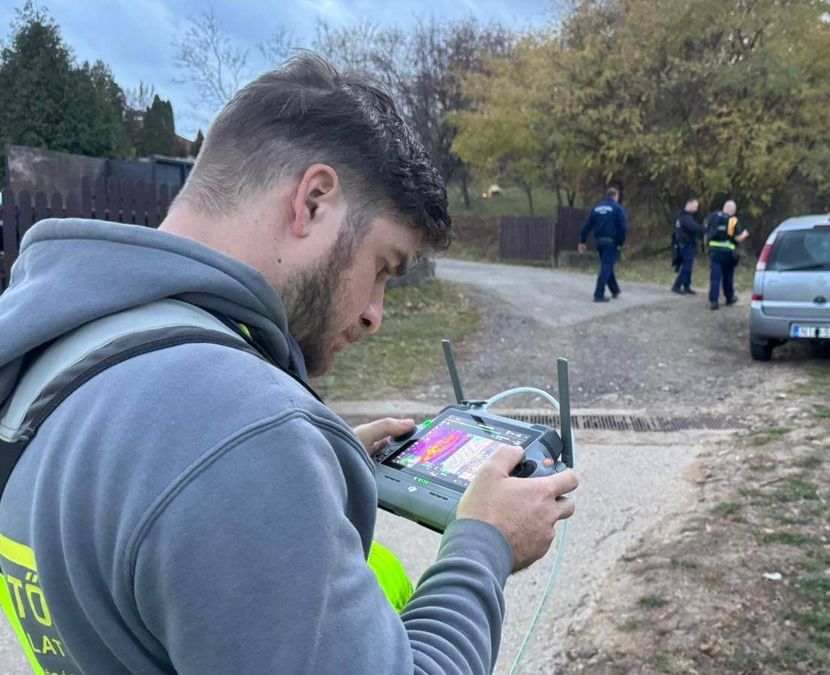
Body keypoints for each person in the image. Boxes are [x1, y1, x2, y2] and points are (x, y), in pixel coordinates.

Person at [0, 53, 578, 674]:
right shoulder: (239, 434)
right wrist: (483, 544)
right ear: (314, 200)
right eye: (382, 267)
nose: (376, 314)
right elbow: (215, 461)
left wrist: (302, 472)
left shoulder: (59, 351)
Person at [577, 187, 627, 302]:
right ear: (616, 196)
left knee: (607, 264)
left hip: (599, 242)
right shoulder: (618, 208)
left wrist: (582, 241)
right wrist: (620, 242)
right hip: (611, 242)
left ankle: (615, 290)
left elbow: (587, 225)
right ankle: (598, 294)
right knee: (607, 266)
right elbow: (623, 227)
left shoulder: (596, 208)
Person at [705, 200, 749, 310]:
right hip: (727, 253)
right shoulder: (731, 221)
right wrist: (744, 234)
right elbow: (736, 238)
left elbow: (706, 234)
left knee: (715, 277)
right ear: (732, 210)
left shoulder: (713, 217)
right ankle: (729, 297)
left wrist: (706, 248)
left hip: (715, 252)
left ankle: (714, 301)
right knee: (728, 277)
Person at [671, 197, 703, 295]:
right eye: (695, 206)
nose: (696, 208)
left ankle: (686, 285)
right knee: (687, 266)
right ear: (689, 204)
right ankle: (677, 285)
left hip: (684, 244)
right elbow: (694, 228)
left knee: (688, 265)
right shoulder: (686, 218)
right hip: (685, 245)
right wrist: (704, 228)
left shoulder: (683, 216)